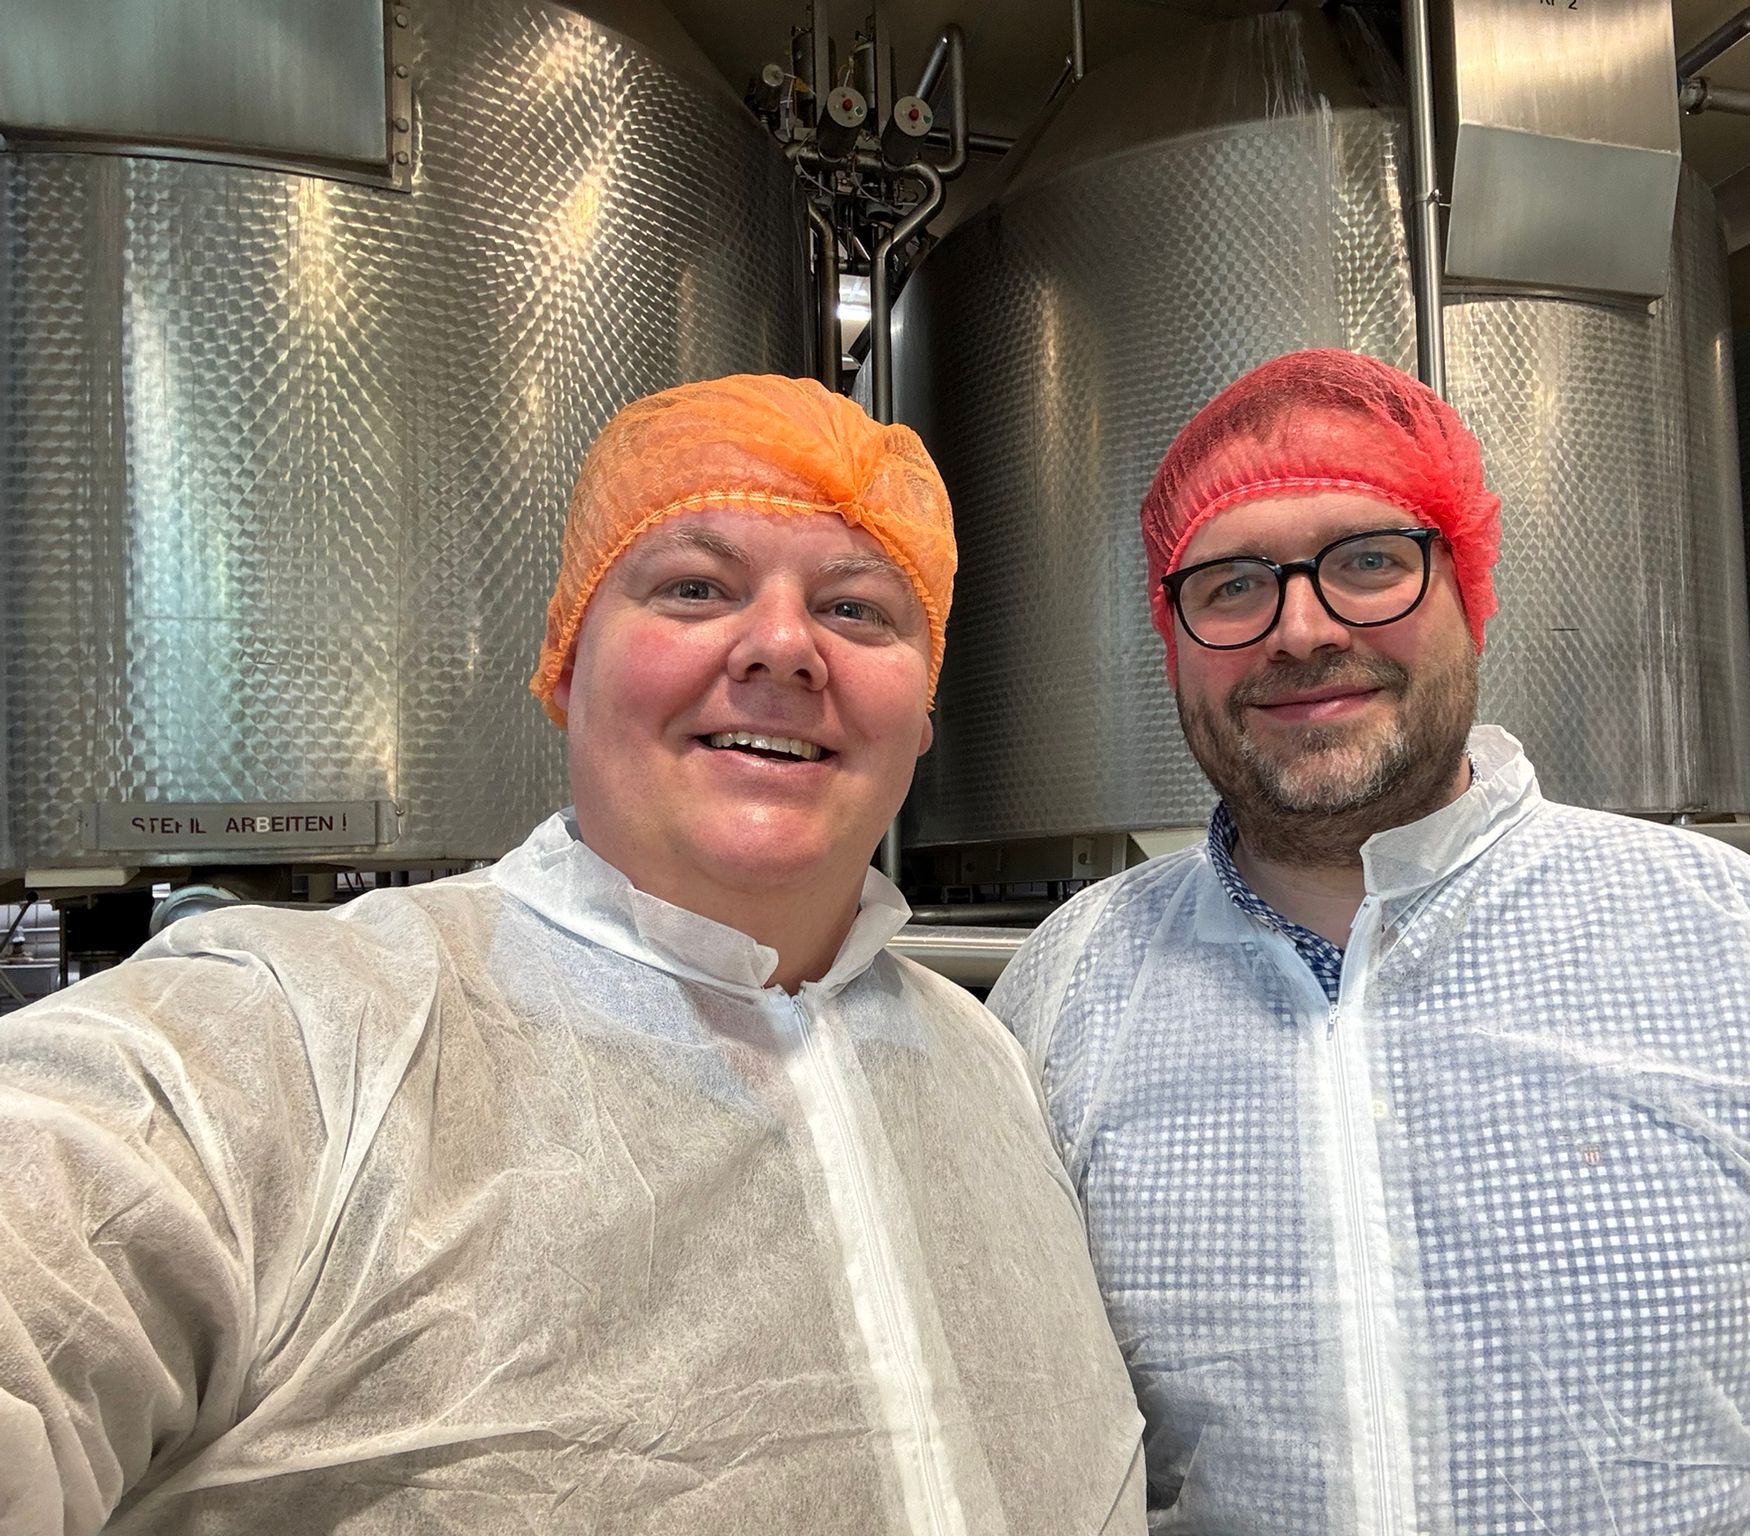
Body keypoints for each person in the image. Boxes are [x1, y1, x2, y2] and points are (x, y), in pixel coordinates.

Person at [0, 375, 1144, 1534]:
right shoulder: (290, 1037)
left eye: (856, 610)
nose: (782, 646)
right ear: (566, 659)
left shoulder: (987, 1060)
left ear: (924, 709)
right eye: (694, 587)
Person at [989, 348, 1750, 1533]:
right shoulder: (1072, 990)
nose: (1299, 627)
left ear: (1468, 592)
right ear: (1170, 635)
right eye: (1230, 584)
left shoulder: (1736, 941)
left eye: (1368, 561)